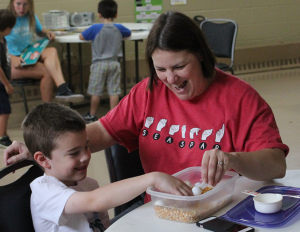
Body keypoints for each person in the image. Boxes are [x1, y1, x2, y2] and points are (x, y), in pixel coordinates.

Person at [3, 11, 289, 205]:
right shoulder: (148, 91)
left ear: (200, 56)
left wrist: (233, 158)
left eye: (179, 66)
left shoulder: (240, 98)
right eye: (160, 69)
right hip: (161, 210)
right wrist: (40, 147)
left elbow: (276, 163)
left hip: (220, 209)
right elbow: (103, 130)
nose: (171, 79)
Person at [23, 102, 192, 231]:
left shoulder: (88, 184)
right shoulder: (44, 192)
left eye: (86, 147)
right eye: (74, 153)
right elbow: (94, 201)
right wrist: (154, 178)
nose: (85, 156)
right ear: (43, 160)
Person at [5, 0, 84, 103]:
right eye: (18, 4)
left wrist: (48, 34)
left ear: (30, 5)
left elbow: (41, 31)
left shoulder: (31, 17)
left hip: (26, 54)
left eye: (25, 4)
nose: (21, 8)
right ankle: (46, 111)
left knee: (51, 51)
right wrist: (11, 56)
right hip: (8, 62)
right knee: (47, 72)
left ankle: (62, 88)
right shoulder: (5, 18)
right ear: (12, 3)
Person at [79, 0, 131, 123]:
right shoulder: (119, 27)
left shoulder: (95, 27)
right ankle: (114, 115)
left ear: (99, 14)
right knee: (114, 91)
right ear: (116, 15)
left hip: (99, 64)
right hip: (115, 63)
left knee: (96, 91)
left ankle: (92, 114)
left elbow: (81, 36)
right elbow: (128, 33)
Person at [0, 10, 16, 148]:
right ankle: (2, 137)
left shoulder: (2, 39)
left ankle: (3, 134)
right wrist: (6, 84)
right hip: (0, 84)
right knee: (5, 110)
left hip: (3, 81)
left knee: (3, 109)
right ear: (6, 28)